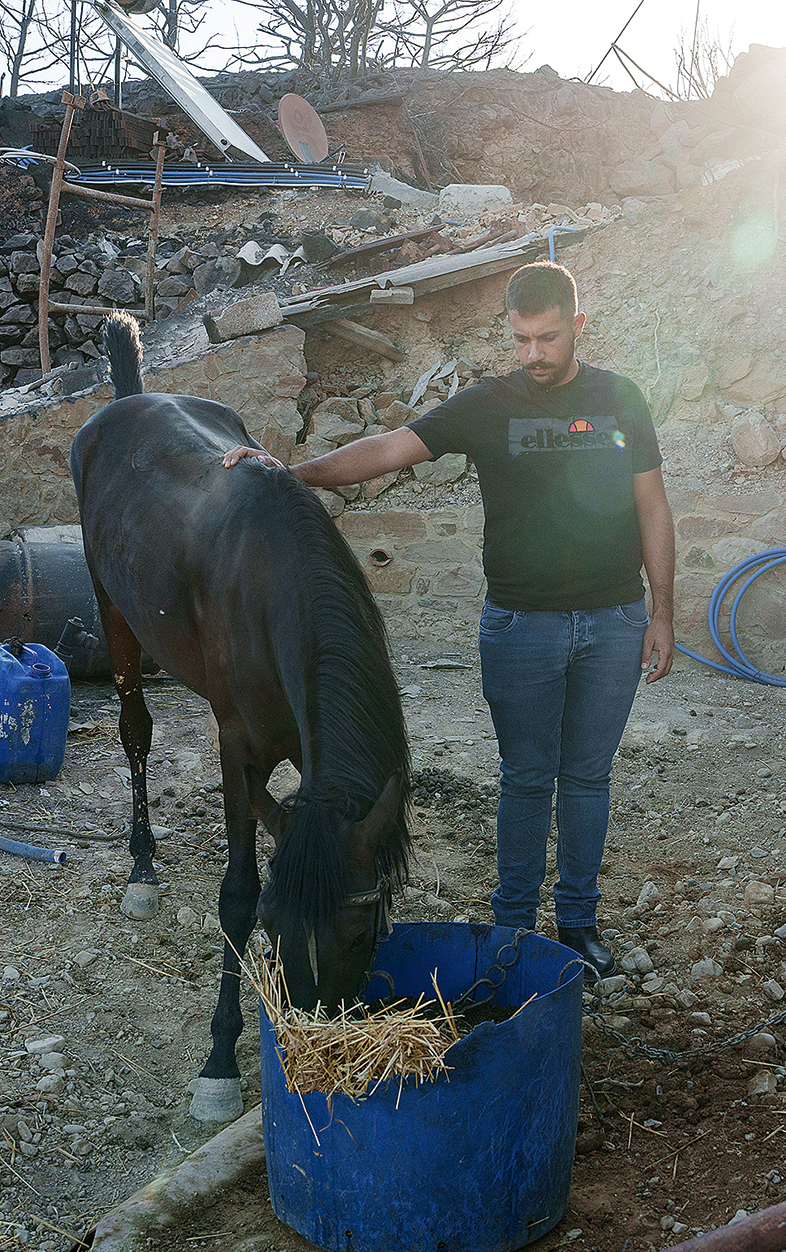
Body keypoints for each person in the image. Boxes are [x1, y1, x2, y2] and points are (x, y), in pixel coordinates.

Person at [221, 261, 675, 974]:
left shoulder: (620, 400)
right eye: (521, 339)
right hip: (522, 626)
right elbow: (389, 449)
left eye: (548, 338)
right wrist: (294, 470)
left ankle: (579, 925)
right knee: (527, 778)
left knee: (588, 778)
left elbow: (652, 504)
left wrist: (663, 612)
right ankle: (516, 929)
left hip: (615, 619)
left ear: (578, 327)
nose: (533, 355)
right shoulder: (487, 404)